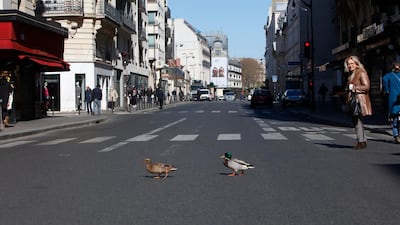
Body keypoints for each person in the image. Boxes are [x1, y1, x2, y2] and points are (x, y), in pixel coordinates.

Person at [345, 55, 372, 150]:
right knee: (356, 121)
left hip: (360, 101)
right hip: (354, 100)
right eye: (348, 64)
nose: (350, 65)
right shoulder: (351, 74)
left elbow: (367, 86)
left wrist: (355, 88)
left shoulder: (361, 72)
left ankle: (361, 142)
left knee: (357, 121)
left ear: (356, 64)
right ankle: (363, 141)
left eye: (352, 63)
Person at [382, 62, 400, 143]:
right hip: (397, 100)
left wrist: (387, 89)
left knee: (394, 119)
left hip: (393, 99)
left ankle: (396, 136)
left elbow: (384, 79)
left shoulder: (389, 75)